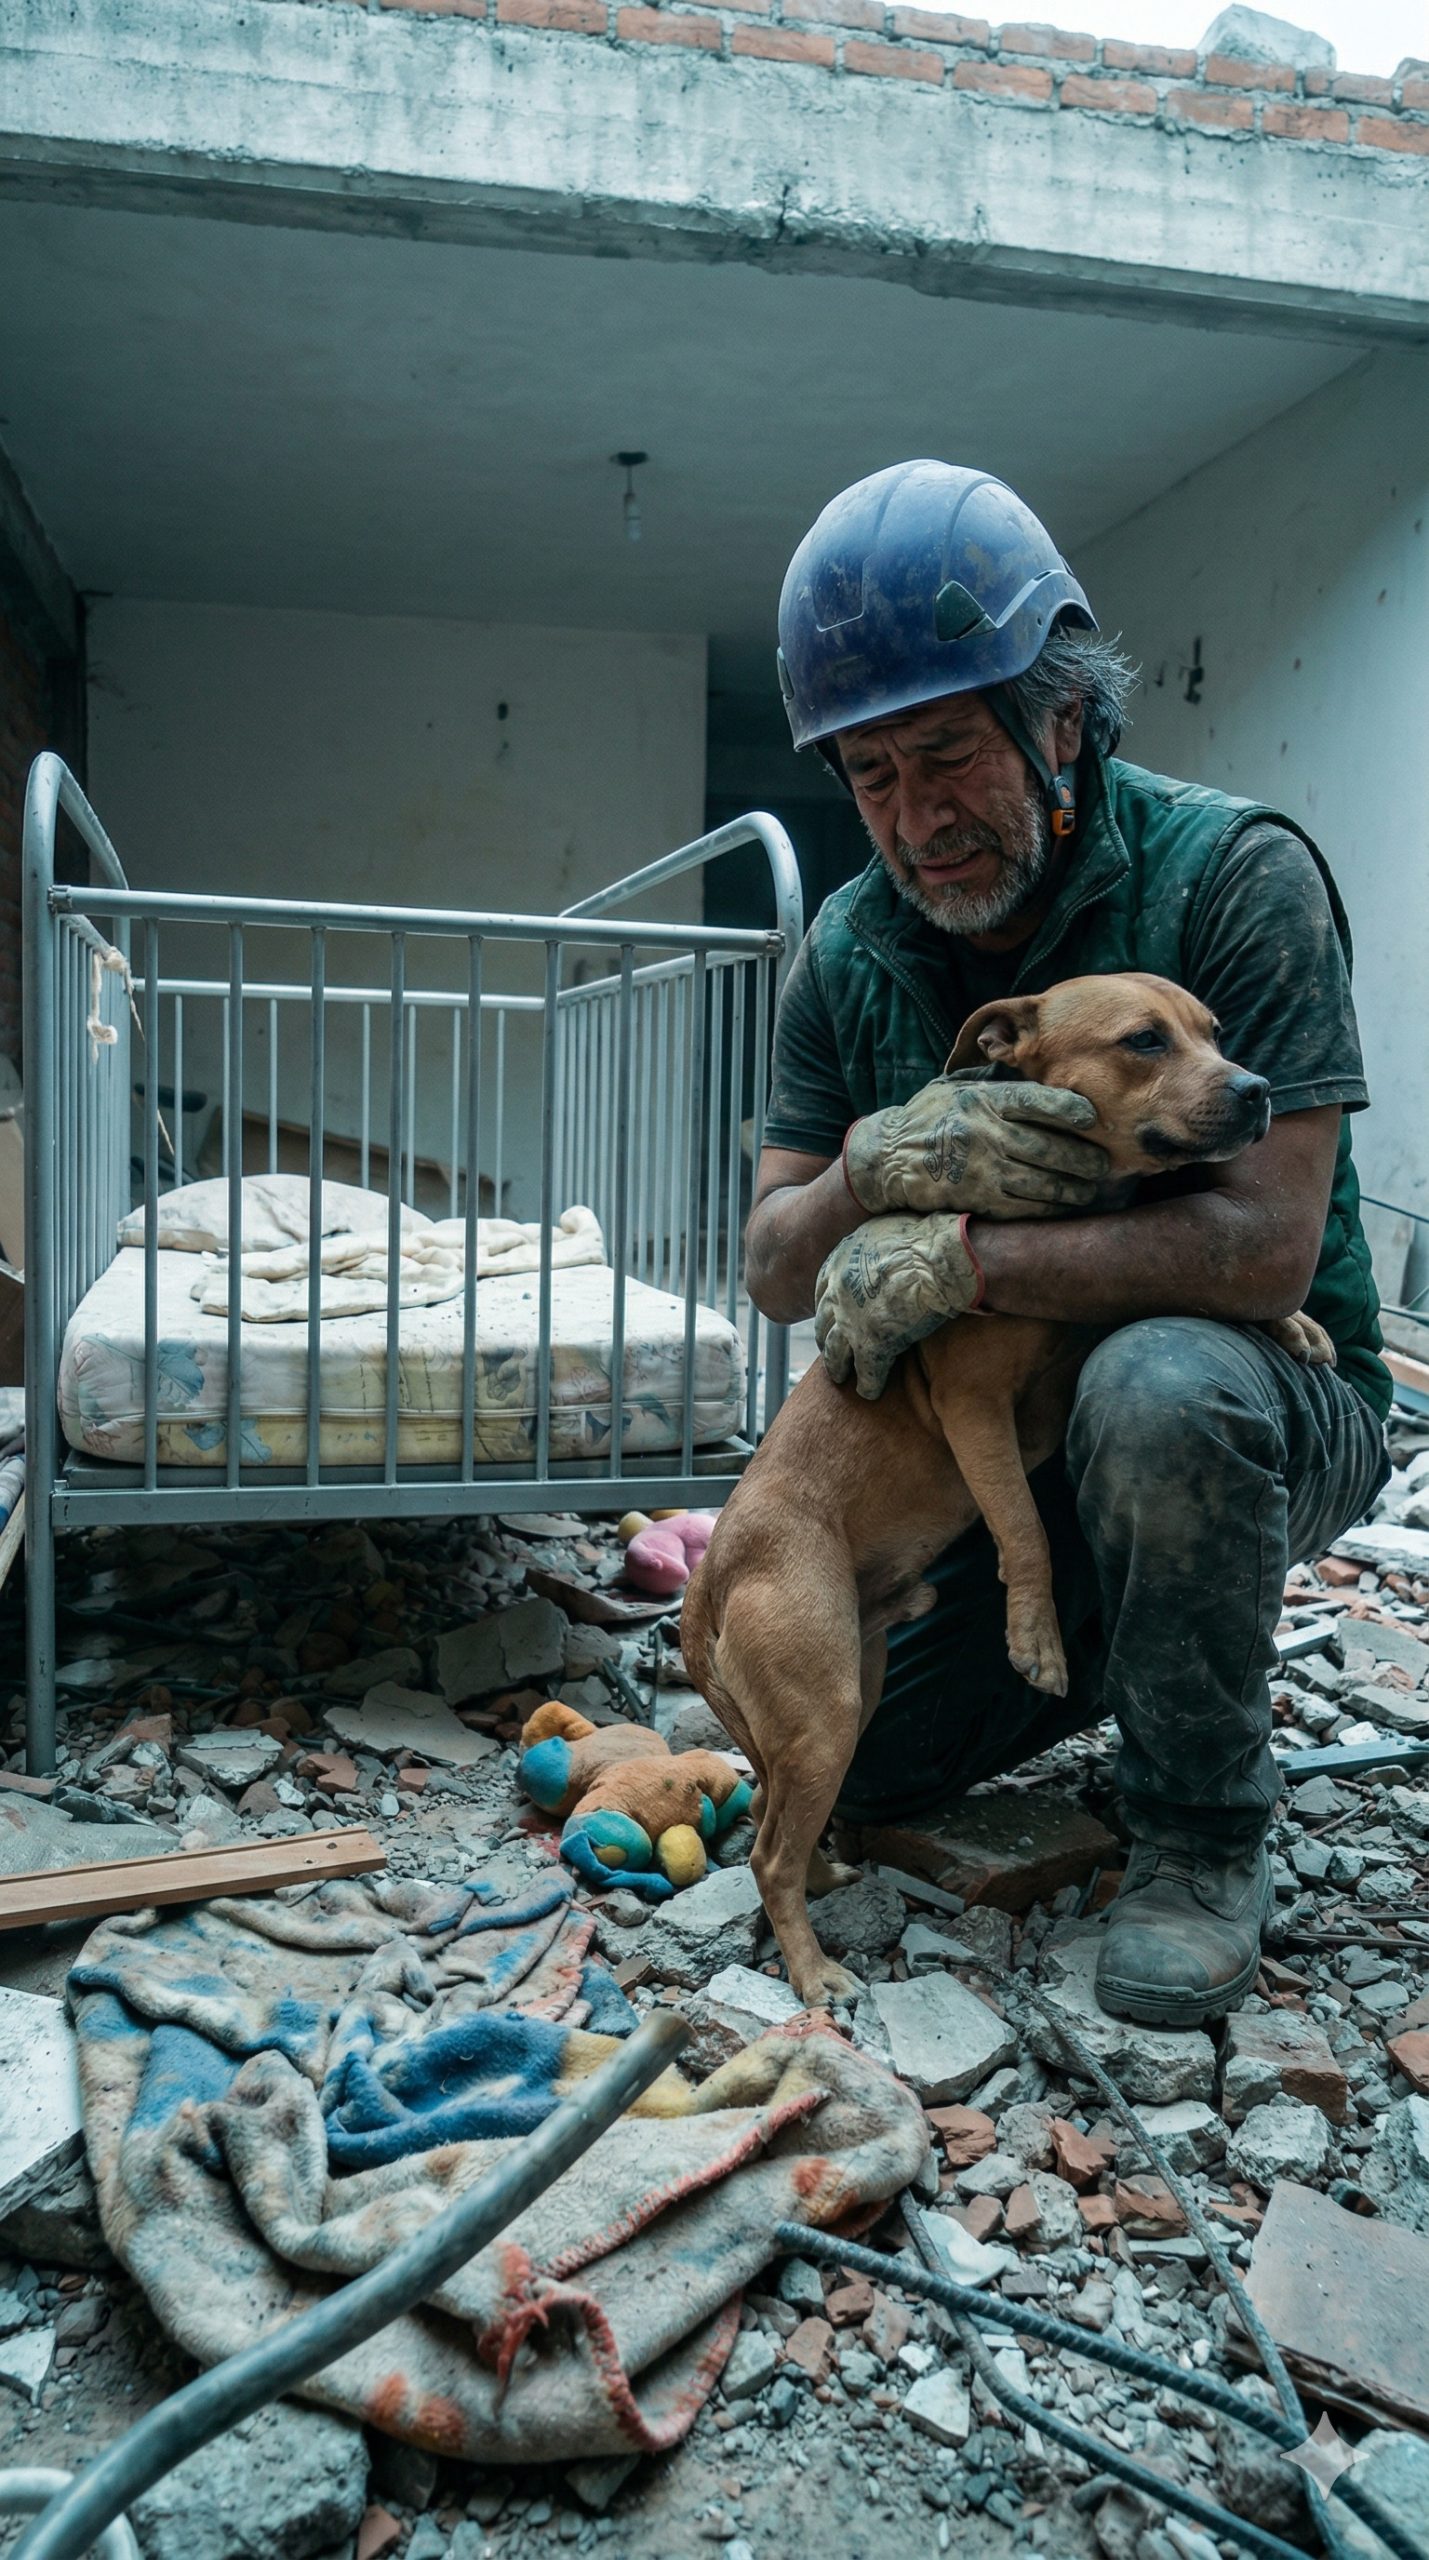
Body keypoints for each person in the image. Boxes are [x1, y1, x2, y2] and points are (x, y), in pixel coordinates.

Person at [745, 460, 1389, 2028]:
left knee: (1160, 1386)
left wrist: (967, 1268)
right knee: (855, 1752)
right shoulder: (849, 949)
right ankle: (1136, 1614)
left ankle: (1193, 1836)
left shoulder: (1233, 877)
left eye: (948, 753)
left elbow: (1260, 1258)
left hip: (1259, 1403)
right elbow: (769, 1264)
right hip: (1013, 1445)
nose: (916, 817)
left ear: (1062, 720)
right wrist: (865, 1182)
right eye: (872, 776)